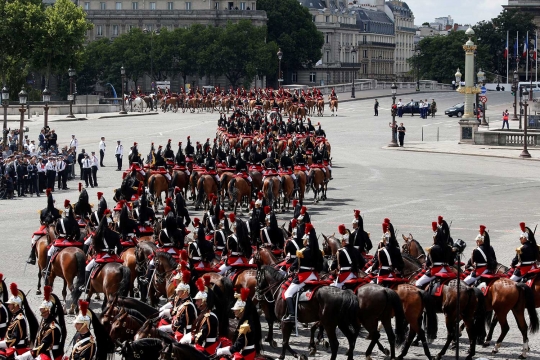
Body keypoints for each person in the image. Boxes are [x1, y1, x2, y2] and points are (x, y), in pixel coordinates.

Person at [283, 222, 323, 322]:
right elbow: (320, 266)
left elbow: (295, 265)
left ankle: (292, 315)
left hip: (304, 276)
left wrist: (291, 269)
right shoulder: (318, 251)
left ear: (307, 240)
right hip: (314, 276)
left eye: (304, 239)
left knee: (288, 293)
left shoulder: (302, 251)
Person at [15, 286, 66, 360]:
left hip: (50, 355)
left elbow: (43, 346)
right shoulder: (46, 323)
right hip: (43, 353)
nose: (41, 312)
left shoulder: (53, 327)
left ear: (49, 311)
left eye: (43, 311)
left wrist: (25, 356)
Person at [80, 213, 123, 294]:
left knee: (88, 268)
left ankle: (86, 286)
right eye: (111, 224)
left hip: (101, 256)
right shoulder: (115, 234)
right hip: (112, 256)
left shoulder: (97, 234)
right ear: (109, 224)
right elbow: (120, 248)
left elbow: (93, 246)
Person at [216, 287, 262, 360]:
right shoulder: (246, 321)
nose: (234, 311)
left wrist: (222, 350)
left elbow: (238, 345)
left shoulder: (245, 325)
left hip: (246, 353)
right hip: (245, 351)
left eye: (236, 310)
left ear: (242, 310)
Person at [179, 277, 220, 356]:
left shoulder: (209, 316)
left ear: (204, 301)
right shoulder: (204, 313)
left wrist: (191, 339)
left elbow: (203, 334)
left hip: (207, 347)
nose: (196, 303)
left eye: (198, 300)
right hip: (202, 343)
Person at [0, 283, 38, 355]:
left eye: (10, 304)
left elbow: (13, 340)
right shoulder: (15, 316)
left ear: (15, 305)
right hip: (13, 347)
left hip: (17, 349)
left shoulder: (19, 319)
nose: (8, 306)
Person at [415, 222, 454, 288]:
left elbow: (428, 263)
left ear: (436, 238)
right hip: (447, 270)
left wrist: (427, 265)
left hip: (436, 270)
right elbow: (451, 262)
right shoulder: (449, 248)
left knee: (418, 283)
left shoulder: (432, 249)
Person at [330, 224, 364, 288]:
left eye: (342, 241)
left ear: (344, 241)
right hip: (355, 275)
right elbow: (362, 263)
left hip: (344, 276)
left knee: (333, 288)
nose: (341, 242)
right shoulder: (356, 250)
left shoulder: (340, 252)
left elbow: (333, 266)